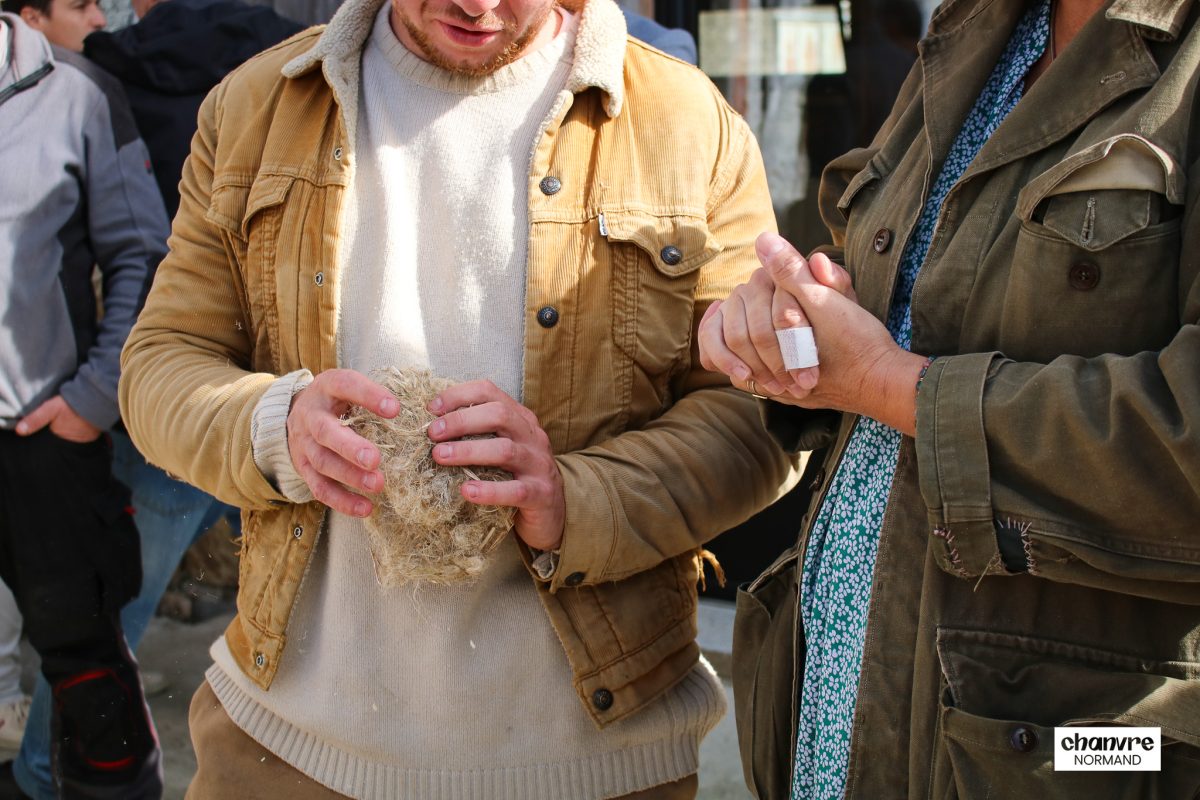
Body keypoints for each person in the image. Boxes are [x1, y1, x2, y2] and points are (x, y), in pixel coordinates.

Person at [118, 0, 798, 796]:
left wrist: (575, 500)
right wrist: (276, 428)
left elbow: (757, 416)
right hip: (281, 752)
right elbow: (161, 363)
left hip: (590, 764)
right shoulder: (257, 106)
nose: (476, 5)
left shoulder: (685, 125)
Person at [699, 0, 1200, 797]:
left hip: (1072, 756)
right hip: (844, 731)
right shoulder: (986, 28)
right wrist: (788, 312)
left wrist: (891, 386)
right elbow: (913, 290)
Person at [5, 1, 301, 796]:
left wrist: (96, 394)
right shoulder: (295, 62)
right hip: (292, 373)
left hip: (175, 379)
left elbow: (140, 247)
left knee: (103, 623)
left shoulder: (103, 76)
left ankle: (44, 776)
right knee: (305, 604)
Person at [0, 9, 168, 799]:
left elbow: (142, 251)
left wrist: (91, 401)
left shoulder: (77, 94)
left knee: (88, 669)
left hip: (42, 440)